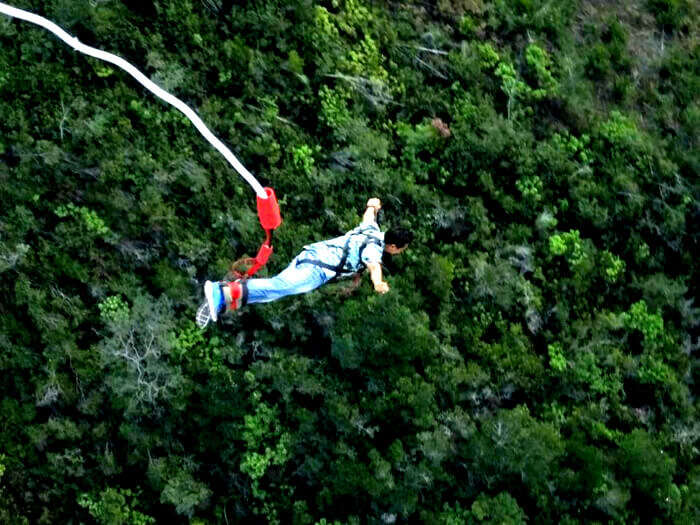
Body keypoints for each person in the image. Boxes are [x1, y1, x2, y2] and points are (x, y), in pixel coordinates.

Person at [203, 198, 412, 321]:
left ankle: (228, 299)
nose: (399, 252)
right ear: (393, 246)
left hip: (309, 255)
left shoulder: (372, 229)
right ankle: (221, 292)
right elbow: (374, 266)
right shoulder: (374, 250)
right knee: (278, 287)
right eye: (400, 249)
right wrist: (378, 283)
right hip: (318, 270)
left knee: (275, 292)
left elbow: (369, 214)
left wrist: (373, 205)